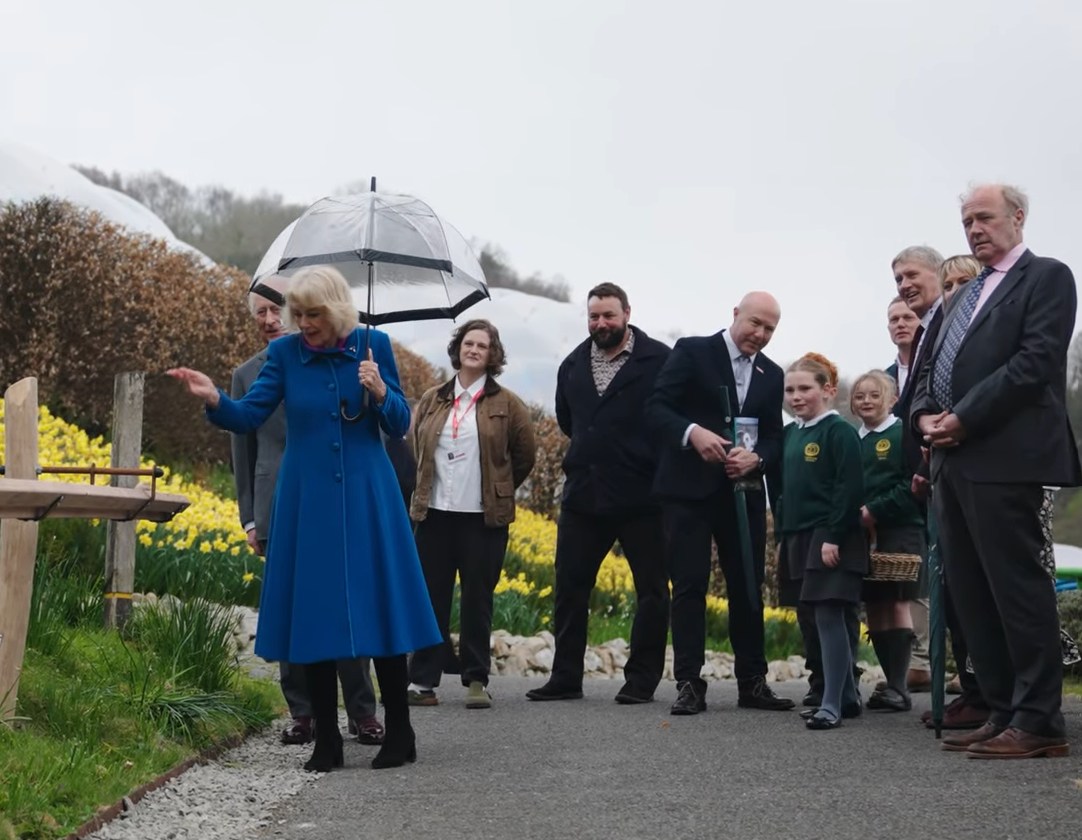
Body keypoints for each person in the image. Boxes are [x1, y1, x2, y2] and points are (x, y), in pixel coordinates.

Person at [168, 265, 441, 772]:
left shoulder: (373, 346)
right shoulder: (283, 354)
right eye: (299, 314)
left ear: (336, 311)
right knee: (314, 614)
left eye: (314, 314)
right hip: (306, 496)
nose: (304, 323)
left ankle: (400, 732)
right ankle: (327, 741)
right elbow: (250, 415)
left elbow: (400, 423)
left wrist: (381, 391)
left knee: (377, 606)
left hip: (367, 493)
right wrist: (214, 400)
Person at [912, 183, 1081, 758]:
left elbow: (1035, 362)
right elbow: (928, 368)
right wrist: (923, 422)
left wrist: (962, 417)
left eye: (985, 218)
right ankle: (1003, 708)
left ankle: (1039, 723)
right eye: (966, 221)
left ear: (1018, 217)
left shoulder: (1048, 277)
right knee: (972, 593)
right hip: (951, 463)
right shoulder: (960, 298)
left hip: (1007, 457)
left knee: (1017, 589)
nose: (975, 229)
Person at [231, 274, 386, 749]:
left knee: (346, 602)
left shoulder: (356, 356)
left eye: (278, 307)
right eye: (261, 311)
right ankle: (303, 713)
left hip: (334, 498)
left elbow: (371, 432)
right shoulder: (247, 373)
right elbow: (243, 453)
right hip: (278, 503)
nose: (271, 318)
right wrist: (250, 517)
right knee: (290, 608)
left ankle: (362, 711)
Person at [646, 292, 794, 714]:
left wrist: (759, 457)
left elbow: (774, 437)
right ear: (735, 316)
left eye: (769, 329)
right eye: (754, 324)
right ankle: (690, 682)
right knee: (689, 586)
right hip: (687, 492)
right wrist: (693, 432)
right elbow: (657, 408)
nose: (760, 335)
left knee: (748, 586)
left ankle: (753, 681)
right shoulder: (693, 351)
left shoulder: (771, 373)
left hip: (742, 493)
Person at [525, 283, 671, 704]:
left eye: (609, 315)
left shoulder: (659, 359)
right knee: (570, 586)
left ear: (627, 312)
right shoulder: (572, 364)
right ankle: (565, 677)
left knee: (652, 590)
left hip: (644, 496)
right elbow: (568, 420)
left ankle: (641, 680)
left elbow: (671, 418)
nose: (601, 323)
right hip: (584, 495)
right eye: (594, 316)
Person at [407, 319, 536, 710]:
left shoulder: (508, 404)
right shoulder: (433, 398)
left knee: (478, 599)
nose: (474, 349)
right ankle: (423, 681)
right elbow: (417, 446)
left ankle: (476, 679)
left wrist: (497, 488)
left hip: (482, 518)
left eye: (482, 345)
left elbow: (524, 455)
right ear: (458, 349)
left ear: (493, 354)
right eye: (468, 343)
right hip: (435, 514)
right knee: (432, 599)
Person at [779, 353, 867, 730]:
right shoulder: (792, 433)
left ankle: (830, 704)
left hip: (831, 535)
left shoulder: (839, 432)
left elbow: (848, 489)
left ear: (828, 390)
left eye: (804, 388)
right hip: (798, 535)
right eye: (789, 390)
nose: (796, 396)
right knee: (814, 617)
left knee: (831, 614)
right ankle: (845, 696)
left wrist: (833, 536)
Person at [851, 369, 925, 713]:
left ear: (893, 399)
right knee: (876, 605)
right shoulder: (853, 438)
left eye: (874, 395)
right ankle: (890, 683)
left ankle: (900, 686)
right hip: (863, 534)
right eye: (860, 395)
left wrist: (875, 510)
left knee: (896, 602)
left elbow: (911, 483)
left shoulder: (901, 435)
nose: (866, 401)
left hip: (899, 529)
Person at [885, 297, 921, 393]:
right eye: (894, 320)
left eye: (908, 318)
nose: (900, 324)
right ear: (888, 328)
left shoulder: (935, 367)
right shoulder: (883, 379)